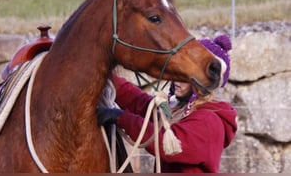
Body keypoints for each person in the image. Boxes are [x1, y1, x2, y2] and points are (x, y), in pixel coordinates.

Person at [97, 34, 237, 173]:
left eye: (185, 77)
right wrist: (109, 80)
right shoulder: (180, 112)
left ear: (203, 84)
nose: (176, 81)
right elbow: (143, 105)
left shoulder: (208, 121)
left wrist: (121, 118)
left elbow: (167, 143)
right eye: (176, 74)